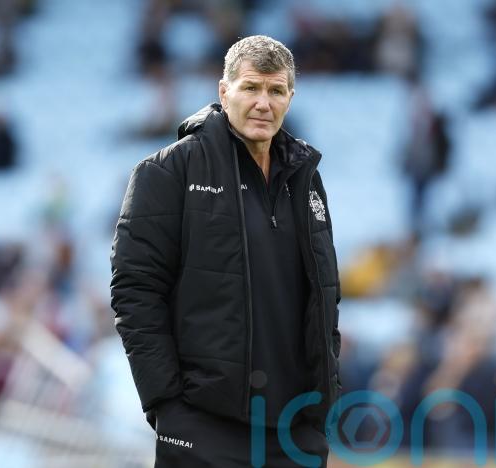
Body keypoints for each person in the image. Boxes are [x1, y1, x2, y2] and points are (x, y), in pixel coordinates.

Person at [110, 35, 342, 467]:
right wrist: (167, 406)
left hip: (295, 432)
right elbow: (135, 291)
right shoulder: (168, 171)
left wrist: (321, 408)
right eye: (250, 87)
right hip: (203, 426)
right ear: (224, 91)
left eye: (276, 91)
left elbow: (326, 297)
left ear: (290, 98)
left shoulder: (306, 179)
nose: (263, 103)